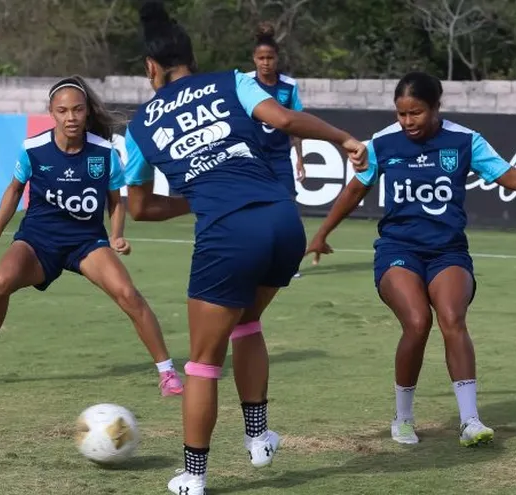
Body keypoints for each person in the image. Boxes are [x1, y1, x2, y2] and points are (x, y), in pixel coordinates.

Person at [123, 3, 367, 494]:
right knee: (249, 322)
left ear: (151, 68)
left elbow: (141, 209)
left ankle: (193, 476)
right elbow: (283, 120)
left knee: (202, 363)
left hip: (228, 233)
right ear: (190, 57)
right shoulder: (232, 81)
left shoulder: (139, 125)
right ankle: (258, 439)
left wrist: (195, 198)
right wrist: (344, 139)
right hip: (282, 223)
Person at [306, 71, 516, 448]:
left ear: (436, 107)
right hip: (398, 249)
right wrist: (321, 234)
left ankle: (470, 421)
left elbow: (510, 176)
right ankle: (403, 418)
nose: (407, 122)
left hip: (447, 251)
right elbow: (355, 189)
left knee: (452, 317)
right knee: (417, 322)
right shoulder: (382, 144)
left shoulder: (465, 141)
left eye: (415, 113)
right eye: (400, 114)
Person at [0, 75, 184, 398]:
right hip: (37, 241)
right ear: (51, 112)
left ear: (87, 112)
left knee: (129, 294)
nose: (71, 118)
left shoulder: (104, 153)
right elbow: (15, 189)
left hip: (86, 243)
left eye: (77, 110)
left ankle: (167, 373)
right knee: (0, 282)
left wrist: (116, 236)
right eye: (63, 111)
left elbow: (115, 202)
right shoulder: (33, 149)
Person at [246, 21, 306, 279]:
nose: (265, 62)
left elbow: (296, 124)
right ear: (254, 59)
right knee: (252, 209)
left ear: (277, 59)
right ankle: (253, 259)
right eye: (261, 58)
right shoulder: (243, 83)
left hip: (280, 158)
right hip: (252, 158)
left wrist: (300, 159)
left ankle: (288, 263)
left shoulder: (288, 86)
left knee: (287, 209)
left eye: (270, 57)